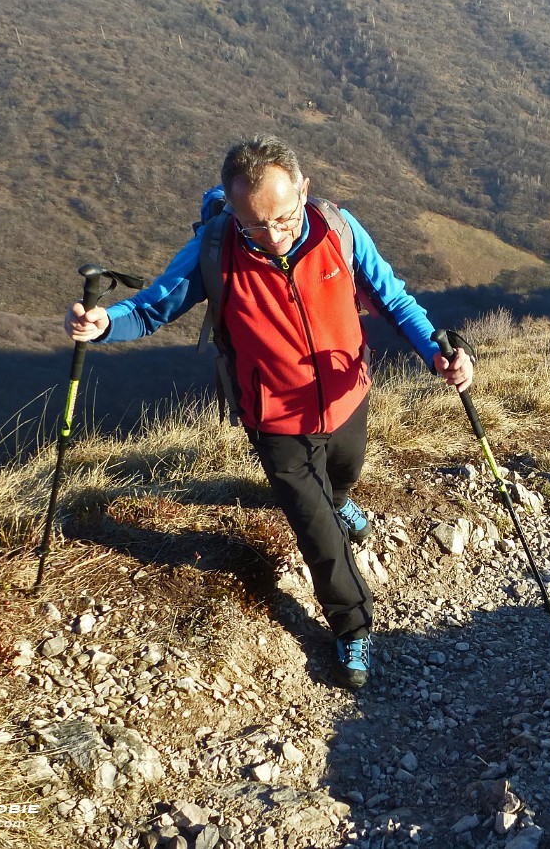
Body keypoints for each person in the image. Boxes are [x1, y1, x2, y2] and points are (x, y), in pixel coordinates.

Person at [65, 135, 473, 689]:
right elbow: (152, 307)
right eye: (254, 225)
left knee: (345, 475)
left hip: (348, 394)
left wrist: (439, 355)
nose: (273, 236)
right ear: (233, 210)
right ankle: (352, 624)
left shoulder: (339, 230)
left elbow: (394, 300)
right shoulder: (216, 246)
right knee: (318, 532)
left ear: (304, 191)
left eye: (282, 218)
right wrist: (105, 323)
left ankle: (341, 499)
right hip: (274, 416)